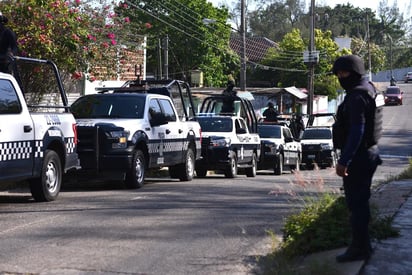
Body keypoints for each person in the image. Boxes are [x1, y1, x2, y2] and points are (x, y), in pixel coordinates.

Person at [332, 55, 383, 263]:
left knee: (357, 205)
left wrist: (345, 160)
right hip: (368, 153)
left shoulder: (357, 96)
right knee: (360, 203)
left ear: (354, 73)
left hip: (359, 157)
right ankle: (364, 245)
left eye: (342, 73)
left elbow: (357, 130)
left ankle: (358, 248)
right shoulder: (368, 88)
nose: (339, 77)